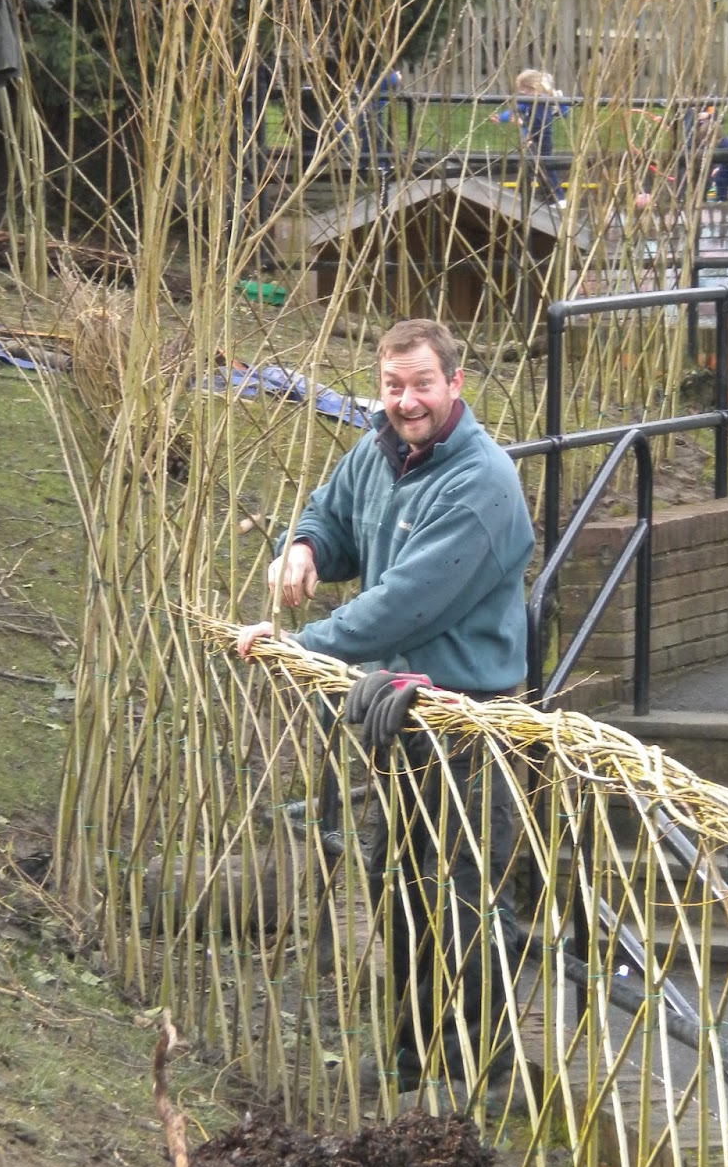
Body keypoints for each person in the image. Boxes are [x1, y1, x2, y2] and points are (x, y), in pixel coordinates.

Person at [237, 318, 535, 1099]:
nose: (406, 402)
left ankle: (478, 1068)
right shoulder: (378, 452)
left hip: (469, 720)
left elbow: (407, 603)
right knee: (394, 881)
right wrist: (305, 546)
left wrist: (305, 647)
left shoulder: (483, 483)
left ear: (455, 384)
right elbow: (331, 513)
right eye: (393, 386)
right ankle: (414, 1055)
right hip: (394, 711)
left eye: (422, 385)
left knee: (463, 891)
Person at [496, 68, 568, 195]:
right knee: (532, 166)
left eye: (524, 88)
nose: (521, 91)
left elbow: (540, 122)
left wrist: (521, 123)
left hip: (540, 139)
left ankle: (556, 196)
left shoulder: (543, 101)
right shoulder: (527, 101)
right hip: (530, 139)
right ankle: (541, 195)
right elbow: (515, 109)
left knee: (544, 167)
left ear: (533, 87)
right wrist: (501, 118)